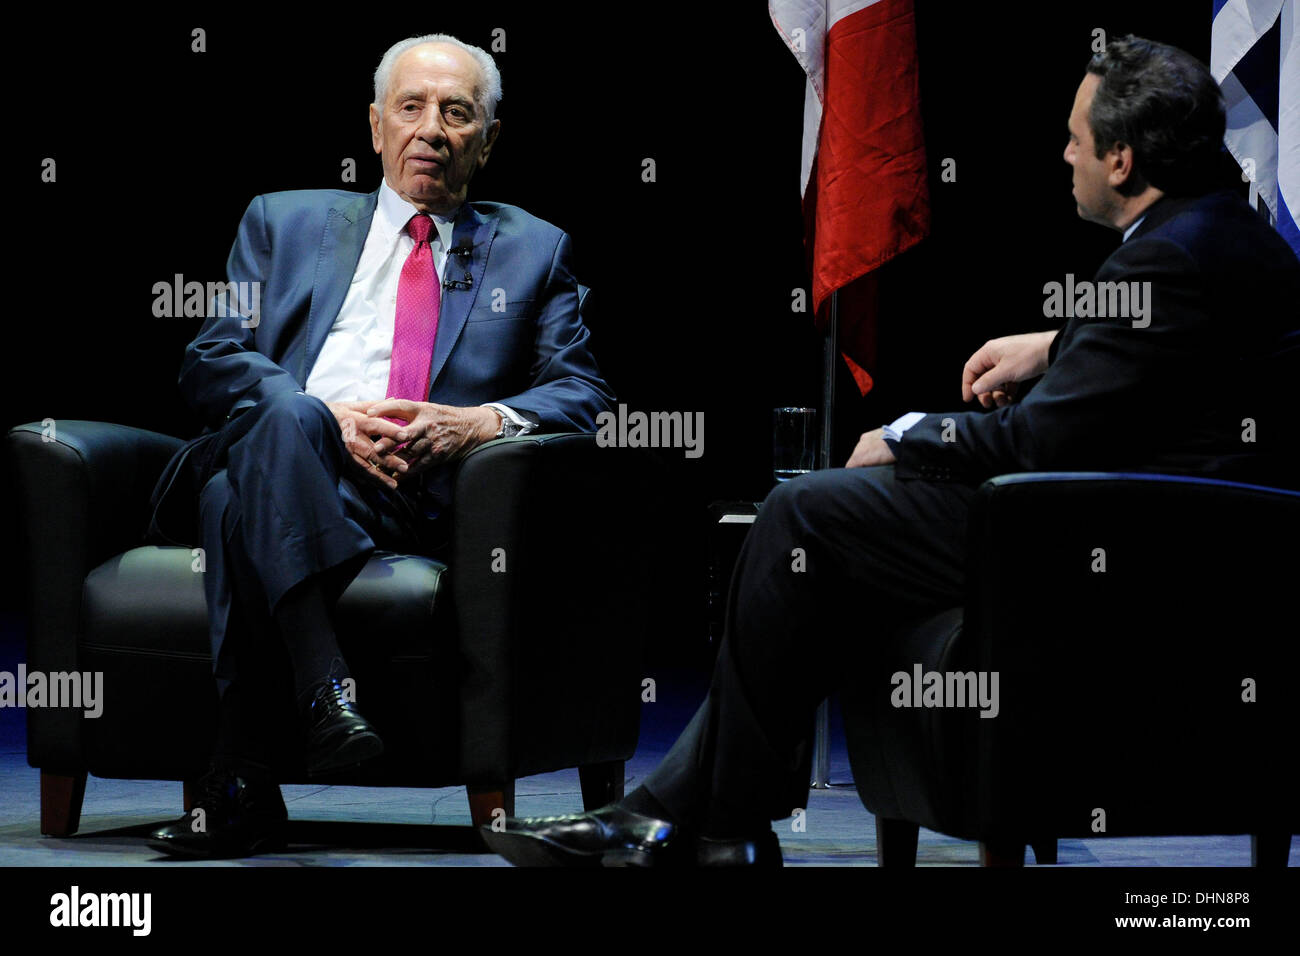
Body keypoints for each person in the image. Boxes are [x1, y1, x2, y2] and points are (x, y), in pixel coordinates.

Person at [481, 34, 1300, 866]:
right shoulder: (1219, 236)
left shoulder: (1167, 261)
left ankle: (698, 820)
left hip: (1130, 556)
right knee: (827, 538)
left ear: (1120, 159)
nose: (1064, 154)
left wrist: (911, 434)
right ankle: (705, 820)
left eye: (1075, 138)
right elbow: (1162, 364)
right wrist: (1057, 344)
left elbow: (1037, 439)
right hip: (1168, 536)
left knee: (807, 513)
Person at [146, 34, 614, 858]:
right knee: (287, 423)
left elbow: (583, 394)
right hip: (286, 453)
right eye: (411, 107)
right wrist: (327, 415)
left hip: (411, 497)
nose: (431, 129)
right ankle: (326, 689)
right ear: (374, 126)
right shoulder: (282, 221)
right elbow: (212, 355)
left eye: (456, 112)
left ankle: (243, 783)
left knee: (233, 502)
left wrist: (480, 422)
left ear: (489, 137)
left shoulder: (534, 250)